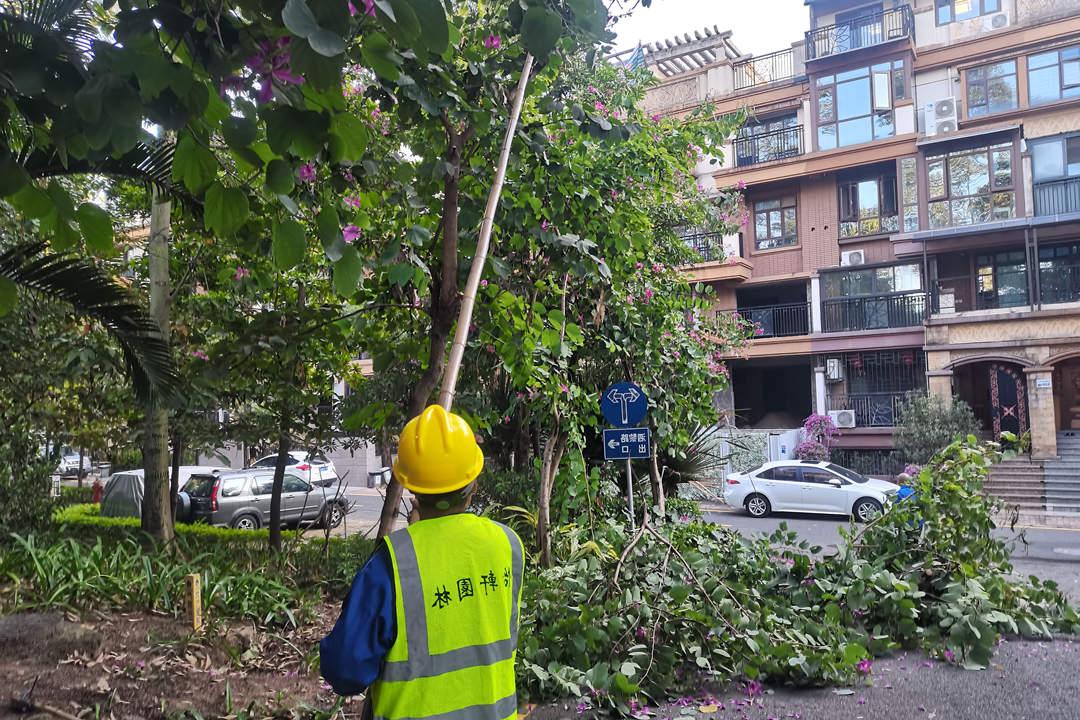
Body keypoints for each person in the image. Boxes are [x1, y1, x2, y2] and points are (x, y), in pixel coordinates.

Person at [320, 405, 525, 720]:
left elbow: (345, 671)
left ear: (411, 487)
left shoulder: (390, 566)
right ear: (474, 483)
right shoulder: (507, 544)